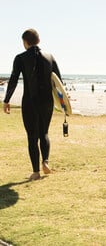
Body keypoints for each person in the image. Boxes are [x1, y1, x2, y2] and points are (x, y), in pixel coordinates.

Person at [3, 29, 62, 181]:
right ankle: (46, 162)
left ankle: (36, 172)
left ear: (25, 42)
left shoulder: (20, 58)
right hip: (47, 102)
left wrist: (7, 100)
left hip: (30, 102)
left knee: (32, 136)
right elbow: (59, 83)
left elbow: (14, 79)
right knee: (44, 133)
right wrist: (63, 103)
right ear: (38, 40)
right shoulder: (49, 57)